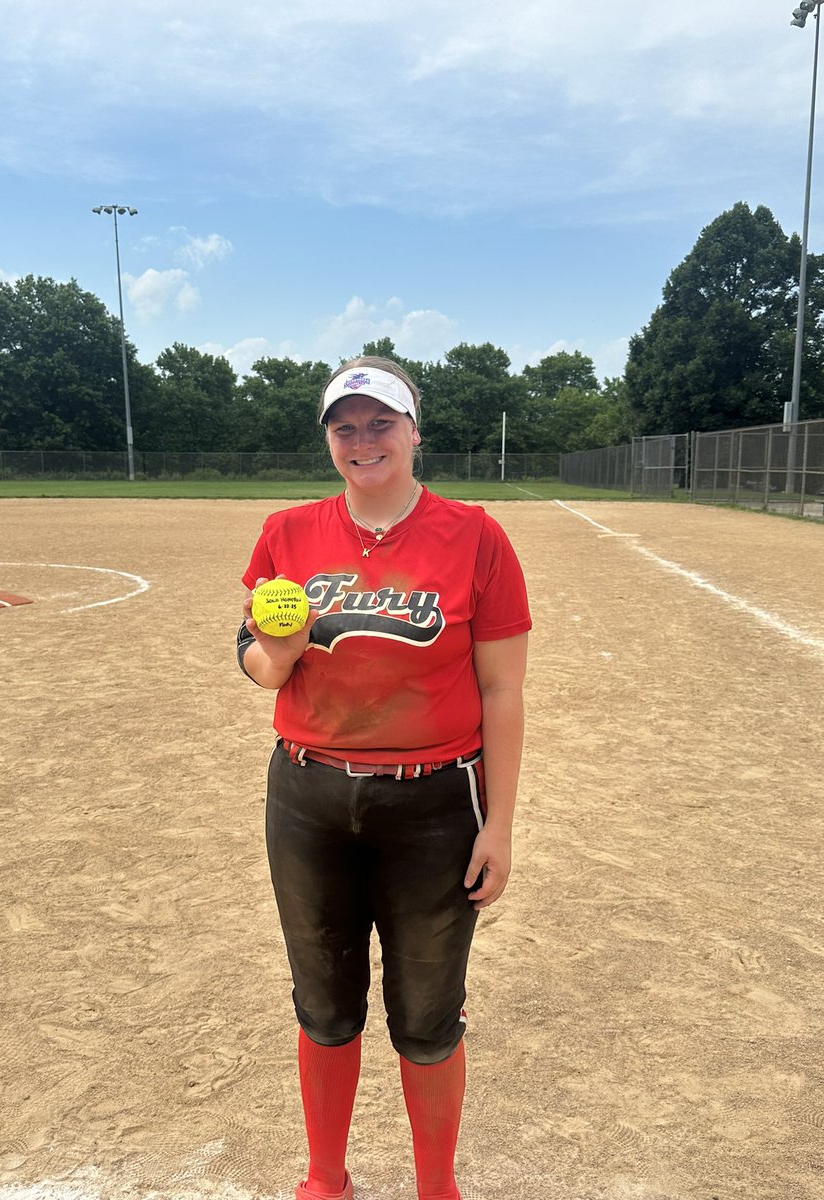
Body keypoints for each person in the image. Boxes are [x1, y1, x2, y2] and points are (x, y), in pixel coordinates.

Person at [237, 356, 531, 1200]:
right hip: (309, 796)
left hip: (436, 802)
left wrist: (499, 824)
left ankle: (436, 1188)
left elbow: (503, 689)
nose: (362, 440)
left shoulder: (474, 535)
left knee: (428, 1016)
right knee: (324, 1002)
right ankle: (325, 1180)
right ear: (329, 439)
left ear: (413, 431)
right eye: (344, 427)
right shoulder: (288, 534)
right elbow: (254, 663)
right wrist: (279, 650)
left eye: (380, 423)